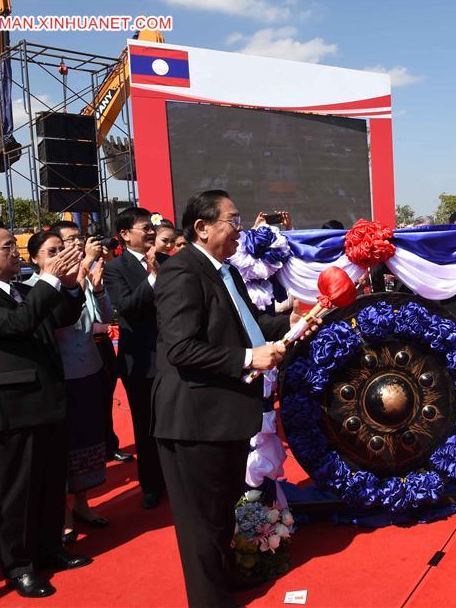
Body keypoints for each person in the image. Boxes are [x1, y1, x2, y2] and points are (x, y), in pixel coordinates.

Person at [153, 190, 296, 606]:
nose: (242, 230)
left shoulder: (224, 271)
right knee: (201, 522)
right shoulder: (182, 272)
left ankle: (226, 577)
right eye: (233, 221)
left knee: (219, 515)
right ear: (202, 227)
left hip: (224, 414)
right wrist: (251, 357)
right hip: (193, 419)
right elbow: (181, 348)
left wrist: (289, 319)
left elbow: (247, 326)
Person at [0, 222, 92, 598]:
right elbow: (20, 324)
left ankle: (49, 549)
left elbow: (59, 316)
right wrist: (47, 278)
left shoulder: (18, 290)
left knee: (48, 485)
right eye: (8, 245)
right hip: (9, 413)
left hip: (46, 403)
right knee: (15, 494)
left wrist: (72, 282)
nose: (17, 251)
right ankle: (19, 566)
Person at [27, 229, 115, 543]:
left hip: (89, 370)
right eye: (52, 251)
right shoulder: (30, 291)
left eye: (62, 249)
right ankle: (62, 515)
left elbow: (102, 319)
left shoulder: (80, 282)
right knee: (63, 447)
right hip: (59, 378)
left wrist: (98, 288)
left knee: (88, 441)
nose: (61, 255)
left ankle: (83, 504)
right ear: (34, 258)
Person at [53, 221, 133, 465]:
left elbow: (106, 315)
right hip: (71, 350)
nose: (77, 242)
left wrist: (98, 287)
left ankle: (110, 445)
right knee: (78, 410)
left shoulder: (94, 267)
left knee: (104, 399)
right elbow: (70, 304)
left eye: (79, 236)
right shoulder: (60, 274)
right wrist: (86, 262)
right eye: (70, 239)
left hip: (99, 344)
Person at [105, 207, 167, 509]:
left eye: (151, 228)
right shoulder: (116, 268)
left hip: (173, 356)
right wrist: (154, 277)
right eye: (144, 227)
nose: (151, 233)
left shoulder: (168, 260)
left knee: (175, 422)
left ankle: (175, 479)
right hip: (140, 361)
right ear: (126, 234)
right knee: (146, 426)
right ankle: (152, 485)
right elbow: (127, 306)